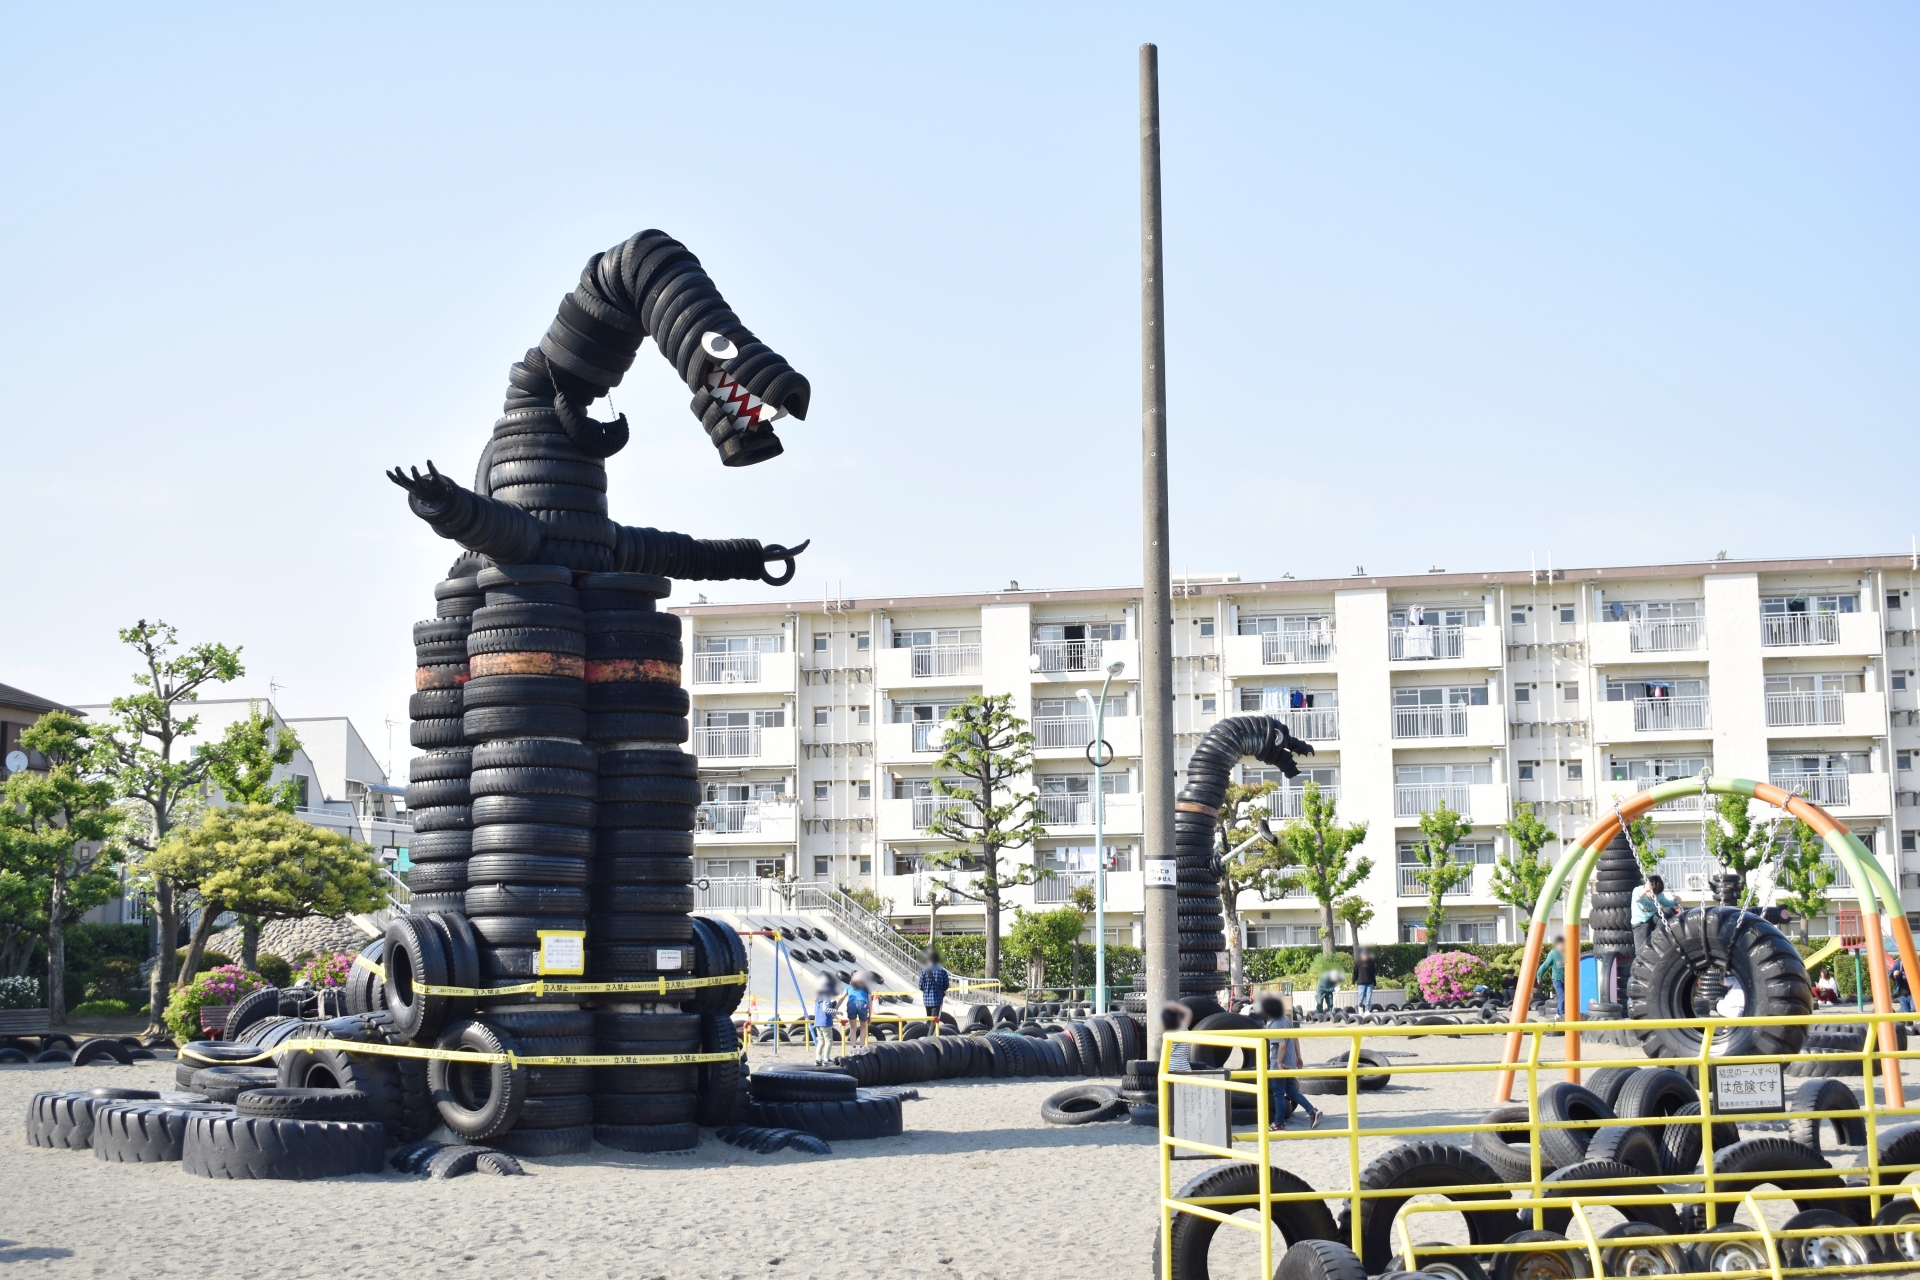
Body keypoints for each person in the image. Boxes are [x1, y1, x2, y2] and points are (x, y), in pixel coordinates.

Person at [1258, 994, 1320, 1129]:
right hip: (1291, 1061)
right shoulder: (1286, 1019)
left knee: (1278, 1094)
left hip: (1280, 1065)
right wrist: (1298, 1056)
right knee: (1291, 1091)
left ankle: (1278, 1123)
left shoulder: (1275, 1025)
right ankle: (1312, 1111)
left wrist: (1279, 1062)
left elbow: (1282, 1045)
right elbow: (1295, 1038)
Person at [1632, 875, 1680, 954]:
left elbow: (1666, 903)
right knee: (1641, 950)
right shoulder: (1638, 890)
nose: (1655, 896)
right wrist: (1644, 890)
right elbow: (1637, 898)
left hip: (1653, 919)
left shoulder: (1659, 895)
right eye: (1654, 894)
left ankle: (1658, 937)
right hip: (1641, 922)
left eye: (1657, 894)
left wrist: (1675, 902)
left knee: (1666, 911)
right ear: (1648, 889)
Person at [919, 950, 951, 1036]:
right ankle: (929, 1038)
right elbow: (946, 986)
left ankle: (927, 1035)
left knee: (929, 1020)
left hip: (926, 1001)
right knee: (935, 1020)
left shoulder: (924, 971)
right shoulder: (942, 971)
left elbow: (920, 986)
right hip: (937, 1001)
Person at [811, 975, 840, 1065]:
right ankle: (826, 1059)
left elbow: (814, 1011)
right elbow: (826, 1009)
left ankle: (818, 1058)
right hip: (825, 1022)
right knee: (828, 1041)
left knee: (821, 1041)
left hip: (817, 1023)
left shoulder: (817, 998)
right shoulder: (826, 997)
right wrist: (837, 1012)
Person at [844, 971, 873, 1053]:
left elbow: (842, 997)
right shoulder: (866, 988)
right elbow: (870, 1002)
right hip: (863, 1004)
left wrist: (836, 1008)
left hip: (851, 1004)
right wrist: (870, 1016)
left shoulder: (848, 987)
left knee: (853, 1028)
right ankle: (862, 1048)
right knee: (863, 1027)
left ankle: (853, 1049)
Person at [1160, 1003, 1193, 1072]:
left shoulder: (1172, 1028)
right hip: (1175, 1064)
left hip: (1179, 1063)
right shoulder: (1176, 1029)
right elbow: (1188, 1013)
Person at [1541, 937, 1566, 1018]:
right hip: (1557, 979)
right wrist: (1539, 976)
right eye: (1561, 945)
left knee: (1564, 996)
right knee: (1562, 996)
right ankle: (1561, 1014)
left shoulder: (1566, 952)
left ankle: (1558, 1014)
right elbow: (1545, 965)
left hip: (1565, 979)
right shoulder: (1553, 953)